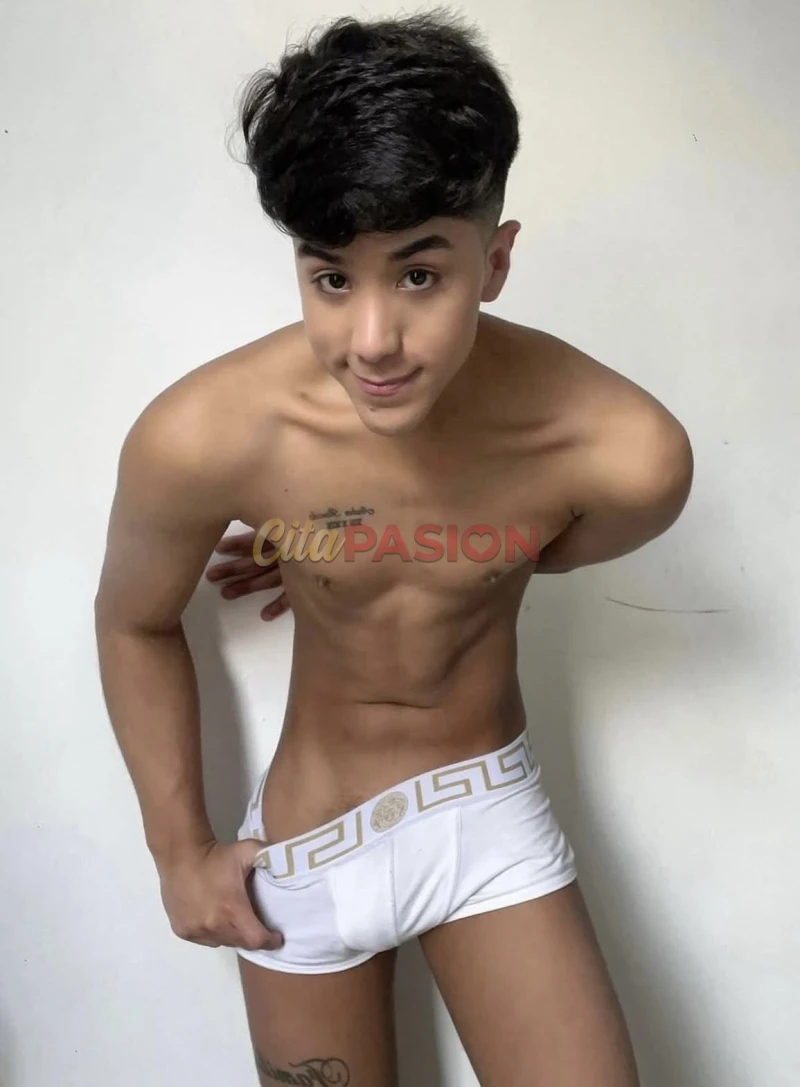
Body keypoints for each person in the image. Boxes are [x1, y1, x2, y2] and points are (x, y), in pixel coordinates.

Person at [94, 9, 692, 1085]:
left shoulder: (620, 449)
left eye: (419, 275)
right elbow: (132, 619)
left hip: (486, 820)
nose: (371, 343)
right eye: (331, 278)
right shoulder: (206, 435)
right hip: (306, 846)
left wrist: (385, 542)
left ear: (494, 261)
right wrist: (178, 851)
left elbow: (534, 546)